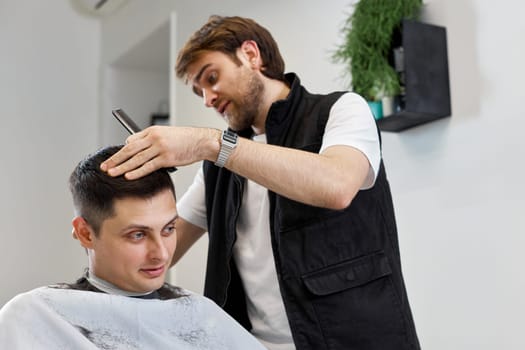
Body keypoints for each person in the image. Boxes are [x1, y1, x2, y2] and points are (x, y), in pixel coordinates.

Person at [100, 15, 420, 350]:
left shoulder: (342, 111)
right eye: (199, 92)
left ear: (251, 55)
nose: (208, 99)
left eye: (211, 77)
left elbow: (337, 184)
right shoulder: (218, 170)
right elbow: (161, 249)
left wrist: (210, 144)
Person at [0, 145, 265, 350]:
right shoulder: (36, 316)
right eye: (138, 235)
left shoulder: (203, 318)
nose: (161, 253)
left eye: (169, 229)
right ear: (85, 233)